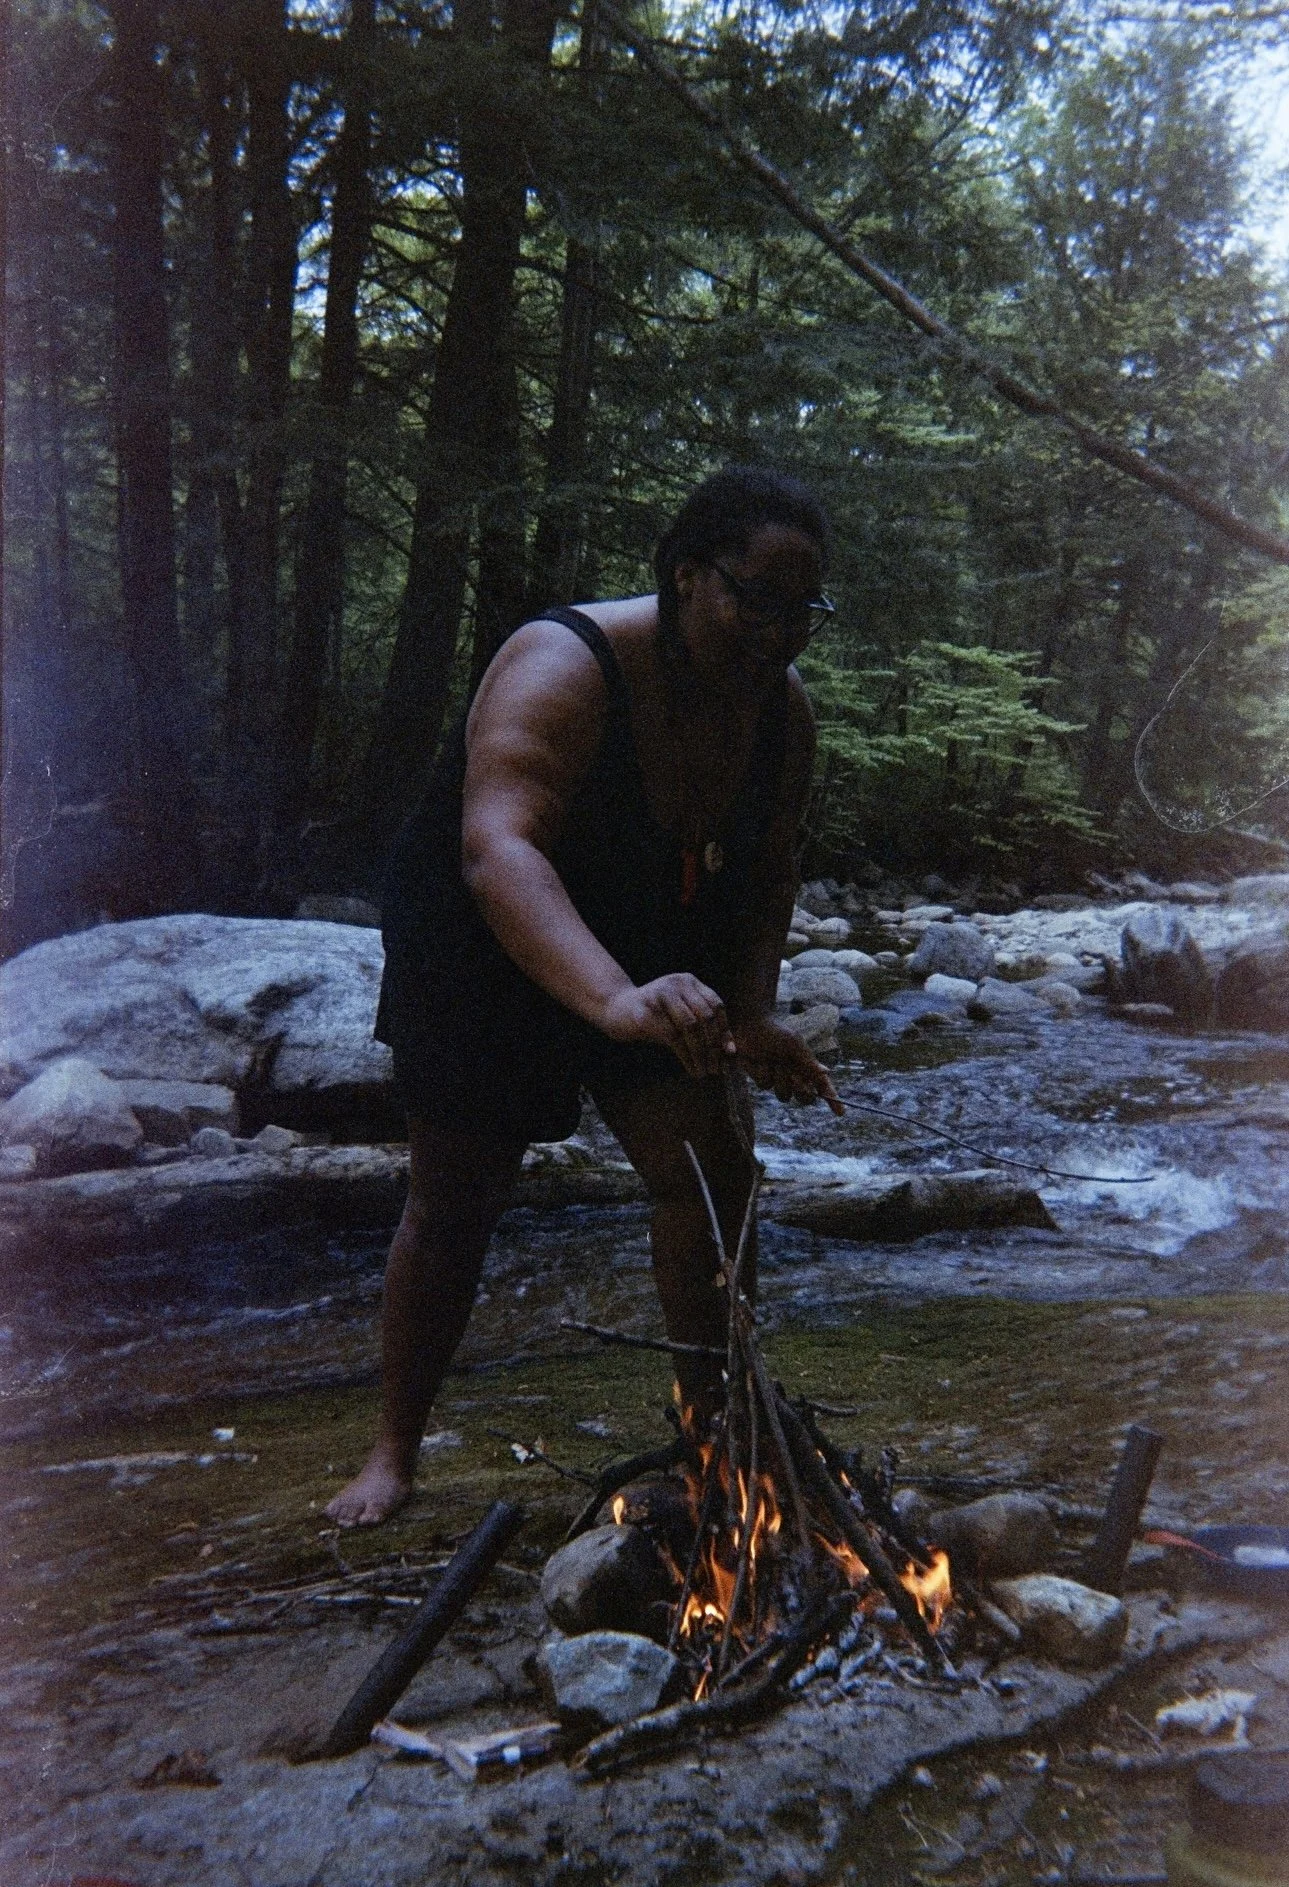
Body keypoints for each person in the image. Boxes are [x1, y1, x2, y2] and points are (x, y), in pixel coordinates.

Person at [327, 466, 844, 1526]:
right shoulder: (564, 663)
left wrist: (746, 1013)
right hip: (481, 935)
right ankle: (392, 1451)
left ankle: (713, 1442)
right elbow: (495, 847)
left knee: (708, 1171)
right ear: (686, 575)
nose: (776, 632)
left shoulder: (782, 719)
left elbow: (768, 870)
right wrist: (612, 1002)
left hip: (653, 927)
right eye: (755, 600)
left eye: (802, 611)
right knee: (456, 1194)